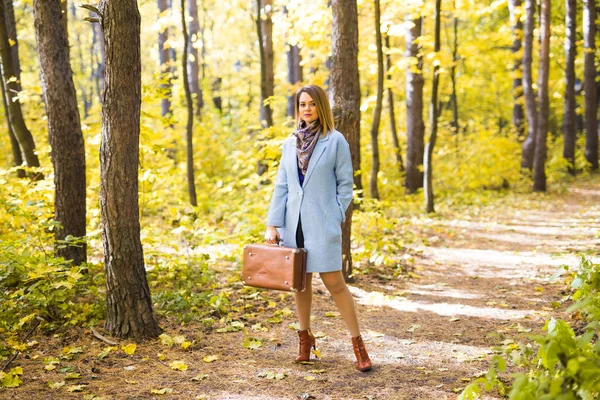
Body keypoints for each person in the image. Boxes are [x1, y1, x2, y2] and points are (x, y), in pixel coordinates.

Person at [264, 85, 372, 372]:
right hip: (292, 224)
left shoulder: (335, 141)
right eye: (302, 104)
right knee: (300, 284)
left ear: (321, 107)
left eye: (312, 104)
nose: (307, 109)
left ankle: (357, 343)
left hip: (321, 224)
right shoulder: (289, 144)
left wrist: (334, 216)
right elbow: (282, 187)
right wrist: (272, 224)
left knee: (335, 283)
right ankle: (304, 338)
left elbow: (345, 186)